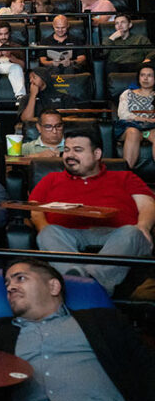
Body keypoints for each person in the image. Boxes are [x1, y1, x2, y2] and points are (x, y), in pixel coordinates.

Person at [0, 258, 155, 401]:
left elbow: (146, 365)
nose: (11, 287)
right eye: (7, 284)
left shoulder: (103, 320)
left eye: (20, 278)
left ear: (53, 286)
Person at [27, 126, 154, 294]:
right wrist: (42, 226)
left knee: (132, 233)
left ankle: (81, 284)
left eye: (78, 150)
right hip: (68, 234)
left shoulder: (124, 177)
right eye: (66, 150)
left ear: (97, 154)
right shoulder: (51, 179)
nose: (70, 155)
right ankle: (88, 286)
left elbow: (147, 204)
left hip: (116, 235)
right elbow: (35, 209)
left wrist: (143, 226)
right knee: (48, 232)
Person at [117, 63, 155, 171]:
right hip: (130, 128)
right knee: (133, 132)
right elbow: (123, 114)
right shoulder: (127, 94)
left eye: (150, 75)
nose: (145, 78)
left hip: (149, 131)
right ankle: (126, 175)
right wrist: (147, 119)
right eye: (142, 75)